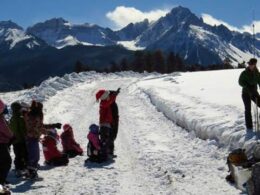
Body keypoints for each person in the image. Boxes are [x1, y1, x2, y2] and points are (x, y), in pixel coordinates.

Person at [24, 100, 47, 179]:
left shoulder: (30, 114)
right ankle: (32, 174)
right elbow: (36, 127)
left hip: (31, 137)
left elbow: (37, 126)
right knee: (34, 156)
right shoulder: (35, 116)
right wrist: (43, 131)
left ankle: (29, 172)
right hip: (32, 137)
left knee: (32, 155)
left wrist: (42, 130)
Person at [96, 88, 120, 159]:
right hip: (105, 124)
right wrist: (114, 94)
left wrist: (113, 93)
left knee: (111, 138)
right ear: (104, 96)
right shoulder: (104, 103)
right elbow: (110, 101)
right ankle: (105, 153)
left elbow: (111, 100)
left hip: (109, 123)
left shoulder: (106, 100)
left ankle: (110, 153)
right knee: (106, 139)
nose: (108, 96)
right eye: (107, 94)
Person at [239, 58, 260, 132]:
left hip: (254, 93)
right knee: (248, 109)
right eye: (249, 64)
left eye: (252, 64)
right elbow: (240, 82)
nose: (250, 65)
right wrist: (247, 86)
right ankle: (249, 127)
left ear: (254, 65)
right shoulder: (244, 73)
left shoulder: (257, 73)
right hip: (246, 93)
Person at [9, 102, 28, 177]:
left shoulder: (12, 118)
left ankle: (18, 168)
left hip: (14, 140)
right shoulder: (20, 118)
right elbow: (22, 129)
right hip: (21, 140)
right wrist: (25, 136)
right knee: (24, 154)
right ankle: (25, 168)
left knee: (17, 155)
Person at [0, 99, 13, 186]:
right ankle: (1, 181)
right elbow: (6, 131)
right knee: (6, 161)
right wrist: (12, 136)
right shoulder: (0, 119)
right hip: (1, 143)